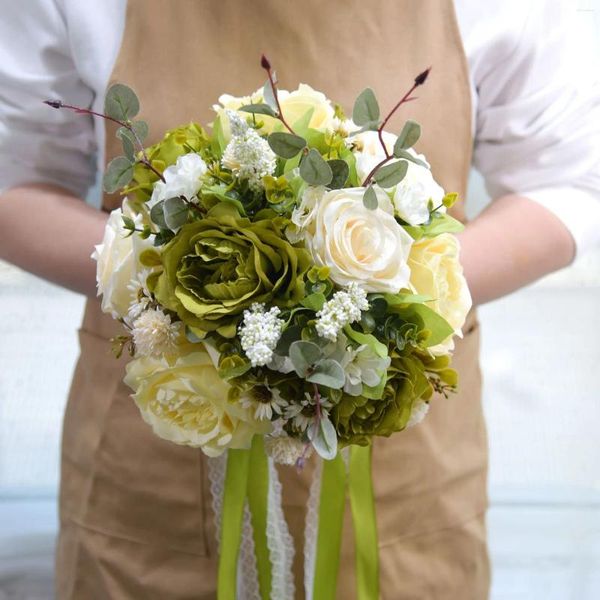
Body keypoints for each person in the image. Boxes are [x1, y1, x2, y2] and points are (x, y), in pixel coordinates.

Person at [0, 0, 599, 598]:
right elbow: (14, 177)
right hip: (150, 483)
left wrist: (386, 289)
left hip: (406, 481)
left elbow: (569, 178)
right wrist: (177, 285)